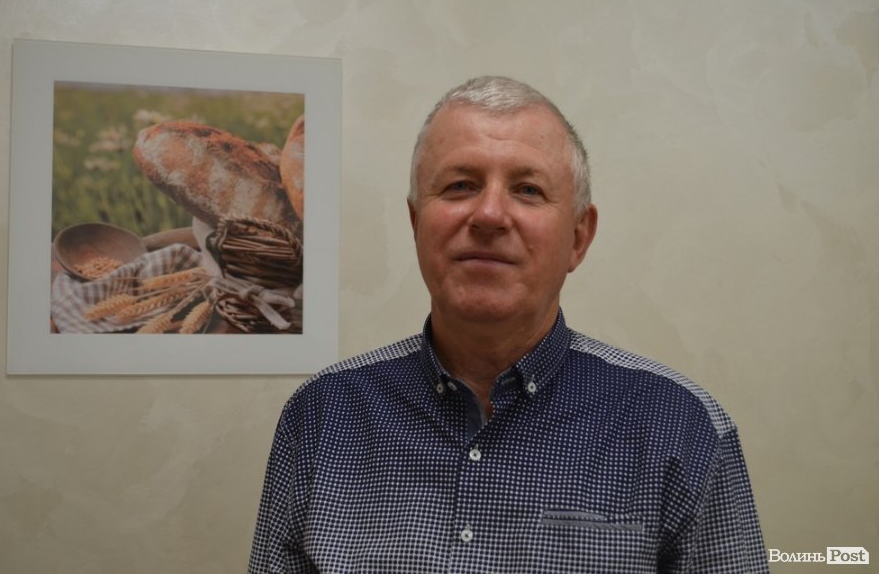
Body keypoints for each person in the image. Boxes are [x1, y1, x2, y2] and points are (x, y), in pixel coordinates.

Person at [248, 76, 768, 572]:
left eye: (528, 190)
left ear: (578, 239)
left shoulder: (681, 427)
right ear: (416, 223)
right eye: (460, 185)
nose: (490, 215)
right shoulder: (321, 419)